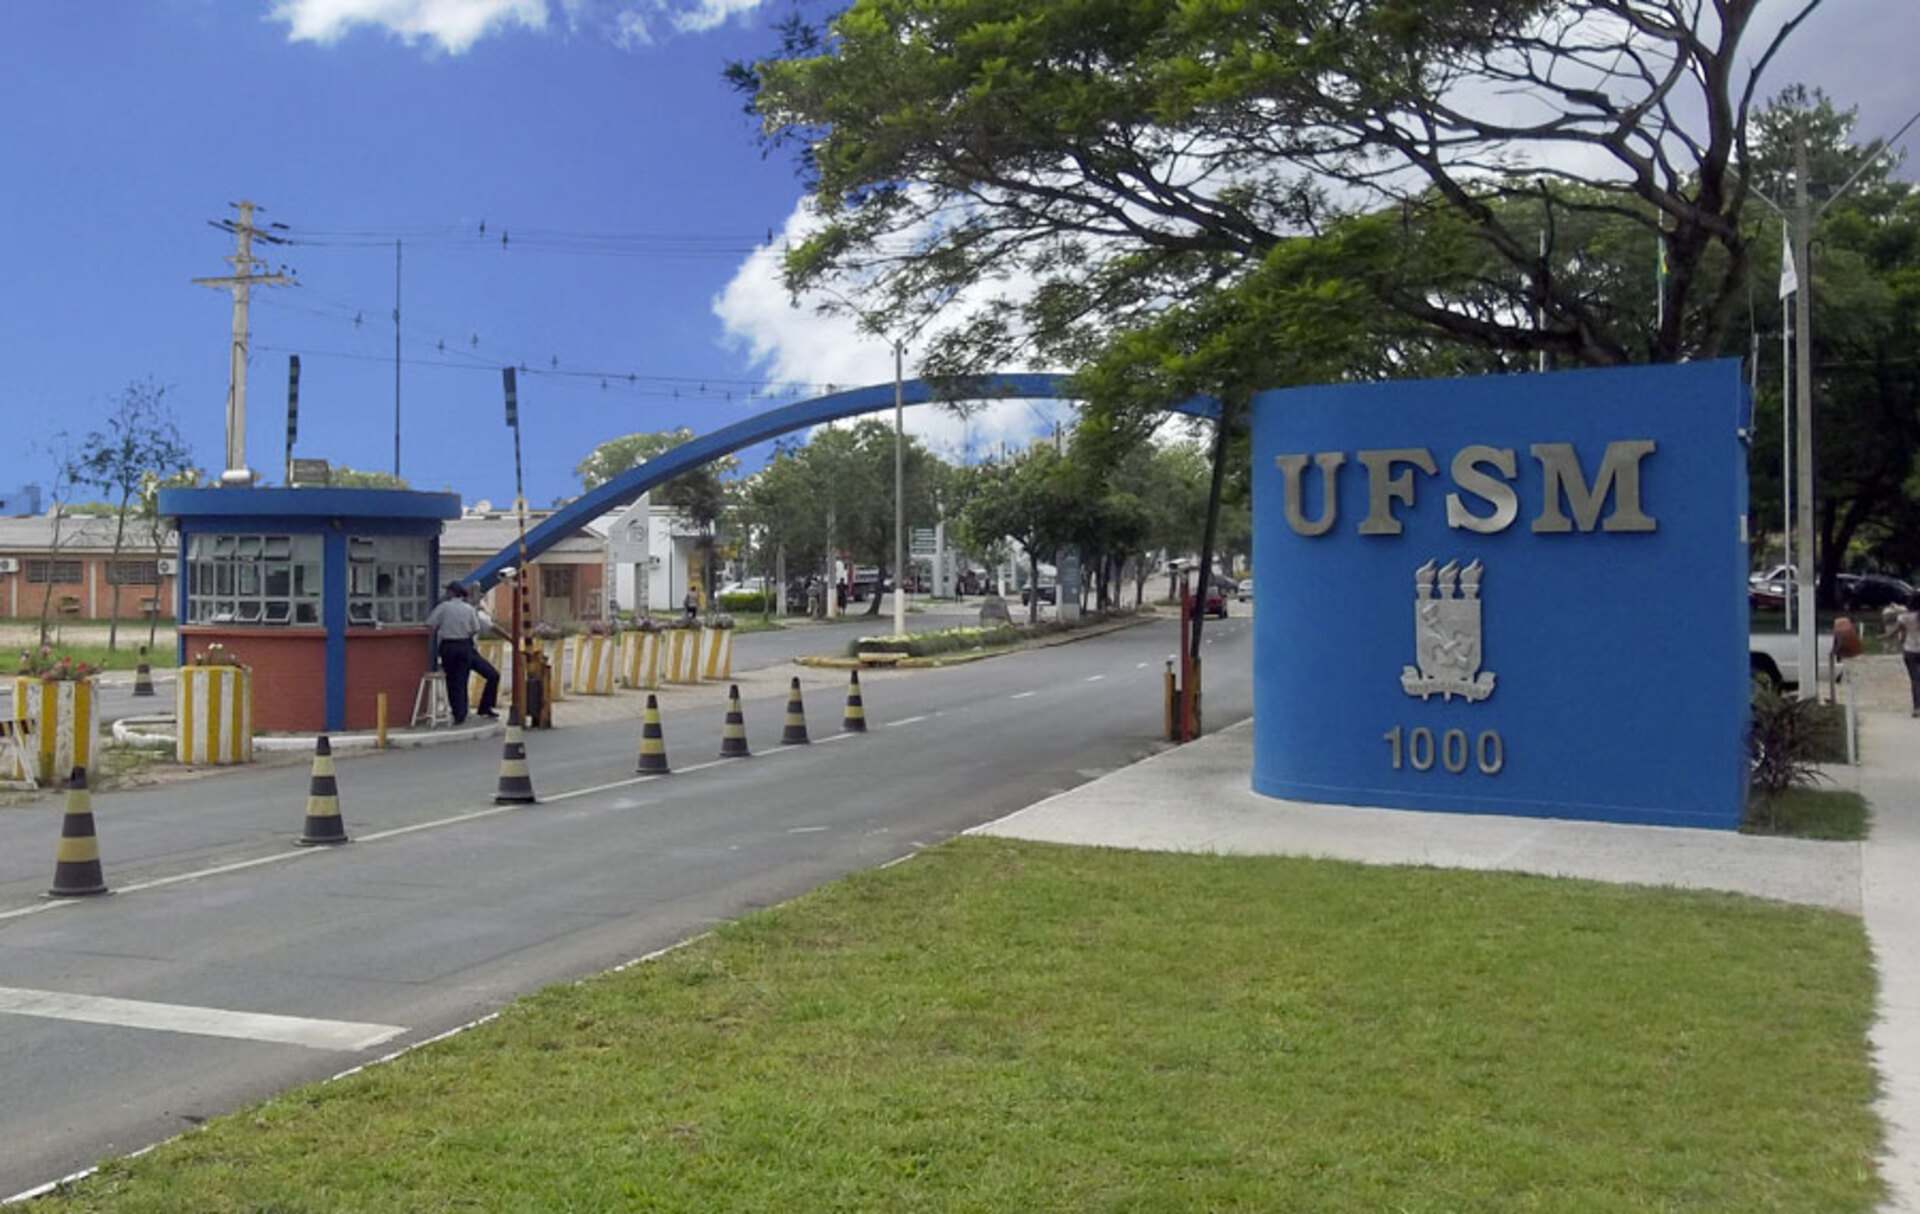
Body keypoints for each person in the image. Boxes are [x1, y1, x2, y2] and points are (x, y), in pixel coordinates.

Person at [426, 581, 501, 725]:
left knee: (453, 681)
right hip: (464, 645)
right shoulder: (469, 609)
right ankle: (467, 711)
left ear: (453, 593)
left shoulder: (443, 607)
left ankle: (459, 713)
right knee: (462, 679)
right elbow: (474, 628)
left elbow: (430, 624)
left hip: (448, 646)